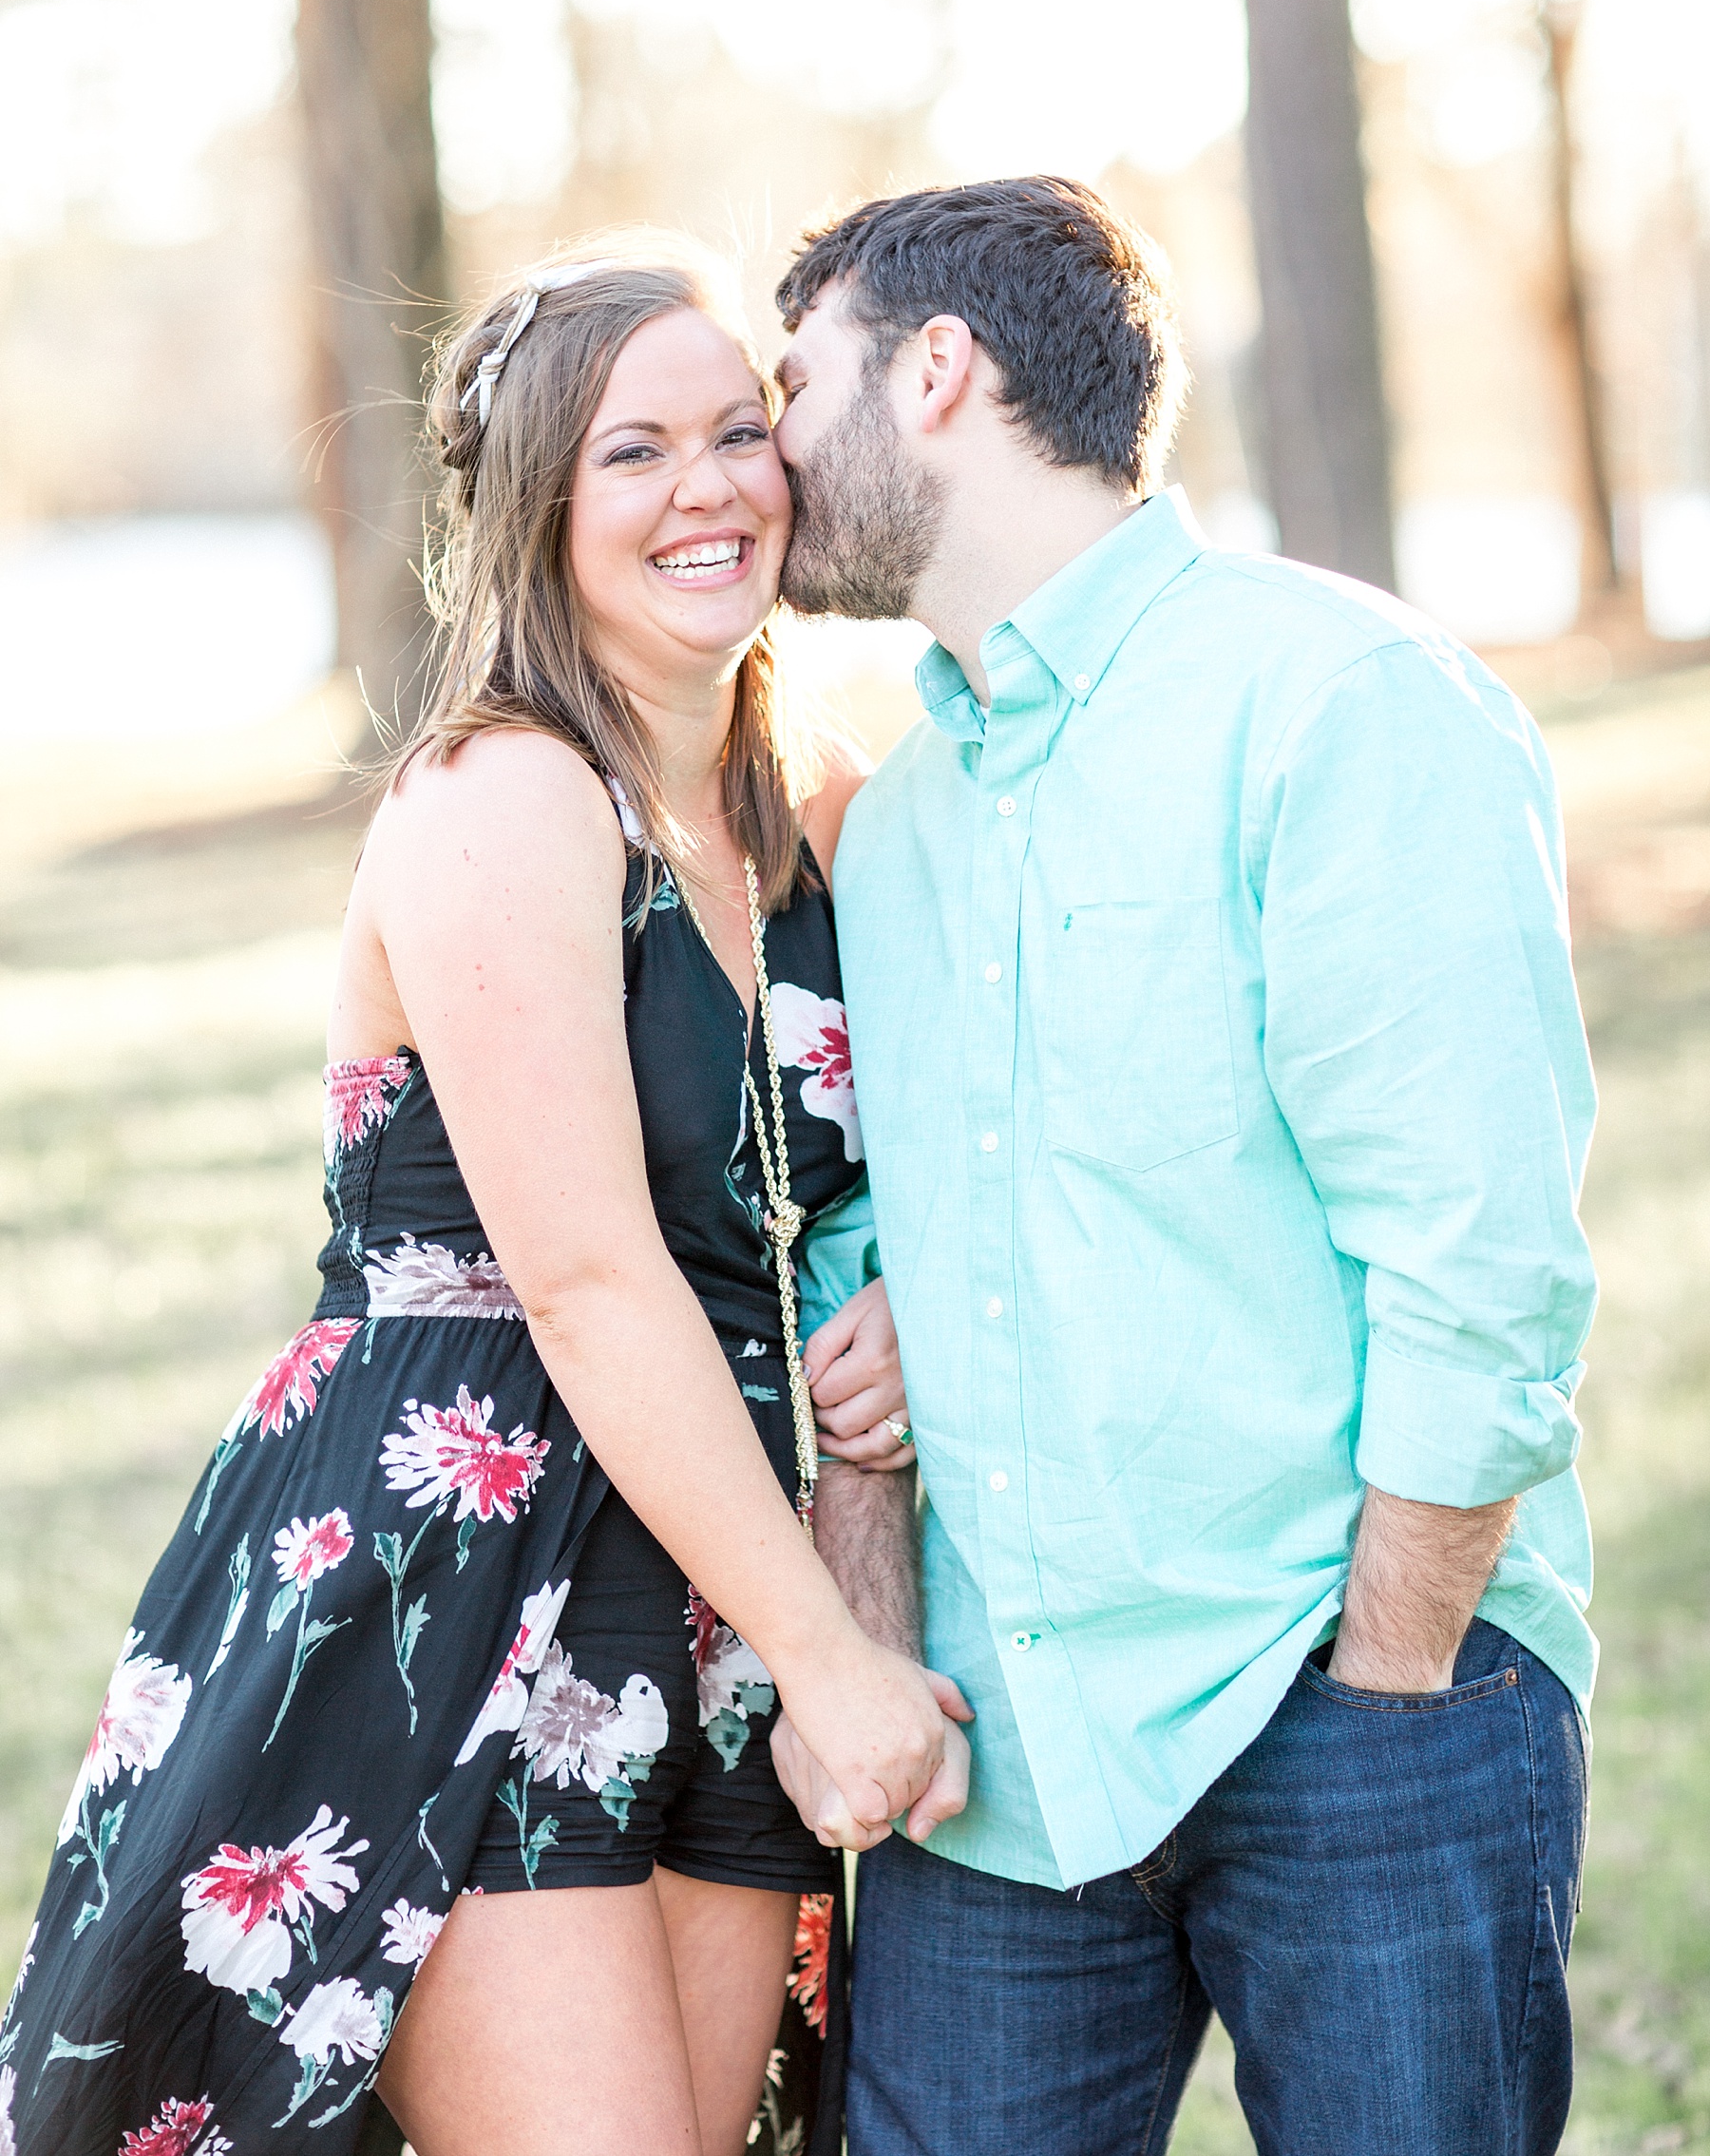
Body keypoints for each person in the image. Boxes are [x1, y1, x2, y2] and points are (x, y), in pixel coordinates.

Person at [3, 236, 966, 2156]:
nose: (708, 488)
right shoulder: (505, 795)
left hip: (723, 1562)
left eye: (735, 432)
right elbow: (595, 1279)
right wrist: (830, 1657)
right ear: (537, 507)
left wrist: (908, 1307)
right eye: (633, 452)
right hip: (470, 1576)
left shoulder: (825, 802)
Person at [767, 176, 1598, 2156]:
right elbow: (902, 1219)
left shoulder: (1337, 703)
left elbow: (1478, 1253)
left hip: (1349, 1701)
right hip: (1009, 1759)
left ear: (937, 371)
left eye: (796, 383)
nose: (765, 450)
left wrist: (1389, 1673)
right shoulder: (898, 819)